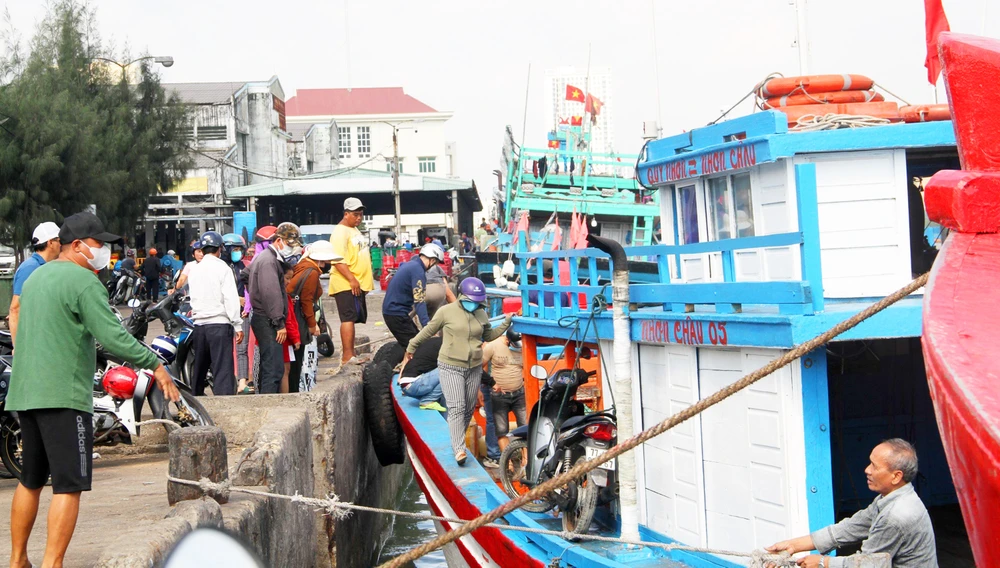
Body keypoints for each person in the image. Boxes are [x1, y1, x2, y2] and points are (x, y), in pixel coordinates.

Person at [7, 212, 180, 568]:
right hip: (62, 395)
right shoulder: (85, 282)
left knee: (30, 480)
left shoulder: (37, 277)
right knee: (69, 485)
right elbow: (112, 336)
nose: (103, 251)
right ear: (77, 245)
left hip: (26, 391)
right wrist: (155, 365)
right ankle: (52, 563)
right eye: (99, 244)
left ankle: (17, 560)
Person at [766, 439, 937, 568]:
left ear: (896, 476)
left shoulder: (897, 515)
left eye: (874, 466)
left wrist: (822, 562)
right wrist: (793, 545)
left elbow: (869, 564)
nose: (867, 470)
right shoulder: (890, 498)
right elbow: (851, 527)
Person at [405, 277, 513, 465]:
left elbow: (488, 335)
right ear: (462, 296)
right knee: (456, 407)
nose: (473, 305)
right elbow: (428, 330)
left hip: (474, 368)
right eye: (470, 301)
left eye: (477, 302)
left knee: (469, 408)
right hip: (450, 365)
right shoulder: (446, 312)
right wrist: (411, 347)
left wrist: (505, 323)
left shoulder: (481, 314)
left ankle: (456, 439)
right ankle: (459, 449)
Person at [247, 222, 302, 394]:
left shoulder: (267, 258)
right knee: (273, 369)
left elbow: (245, 276)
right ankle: (269, 407)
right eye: (289, 245)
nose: (291, 249)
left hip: (266, 316)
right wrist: (279, 323)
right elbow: (271, 293)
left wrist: (254, 292)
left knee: (275, 367)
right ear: (278, 241)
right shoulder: (268, 261)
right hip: (268, 319)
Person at [187, 231, 244, 396]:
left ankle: (195, 404)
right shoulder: (222, 268)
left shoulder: (195, 270)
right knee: (222, 369)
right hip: (219, 324)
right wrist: (237, 324)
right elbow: (230, 298)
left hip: (199, 326)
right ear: (220, 249)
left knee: (199, 369)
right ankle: (224, 406)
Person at [287, 241, 341, 393]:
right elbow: (306, 301)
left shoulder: (303, 266)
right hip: (299, 319)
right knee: (296, 361)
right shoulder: (311, 272)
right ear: (321, 260)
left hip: (294, 315)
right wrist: (312, 324)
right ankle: (294, 392)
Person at [328, 197, 374, 367]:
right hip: (346, 282)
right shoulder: (340, 232)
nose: (359, 218)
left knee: (353, 318)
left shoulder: (355, 230)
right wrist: (352, 279)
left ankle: (352, 353)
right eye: (355, 215)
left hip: (356, 283)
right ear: (346, 214)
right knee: (347, 318)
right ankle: (347, 356)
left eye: (361, 214)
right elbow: (338, 260)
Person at [8, 221, 60, 346]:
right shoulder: (31, 268)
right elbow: (15, 308)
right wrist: (18, 347)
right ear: (50, 243)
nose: (61, 244)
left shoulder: (43, 266)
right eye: (59, 240)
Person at [382, 244, 444, 349]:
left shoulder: (410, 265)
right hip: (396, 315)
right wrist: (427, 327)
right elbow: (419, 301)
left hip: (393, 312)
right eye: (435, 263)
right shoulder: (418, 271)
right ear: (432, 260)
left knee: (414, 342)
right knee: (417, 348)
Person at [484, 328, 526, 456]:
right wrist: (487, 385)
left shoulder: (524, 347)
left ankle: (526, 460)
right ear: (507, 340)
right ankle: (507, 463)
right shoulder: (493, 346)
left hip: (519, 393)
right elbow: (479, 366)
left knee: (526, 428)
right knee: (501, 430)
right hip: (499, 395)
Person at [223, 234, 252, 394]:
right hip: (224, 313)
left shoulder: (244, 267)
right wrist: (236, 299)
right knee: (225, 349)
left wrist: (246, 304)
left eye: (240, 249)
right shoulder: (221, 268)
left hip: (242, 314)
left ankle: (242, 381)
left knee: (242, 347)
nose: (237, 252)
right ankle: (228, 382)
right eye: (234, 249)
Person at [399, 336, 446, 411]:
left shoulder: (431, 341)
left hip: (406, 384)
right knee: (450, 371)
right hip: (414, 384)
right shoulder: (446, 346)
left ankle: (431, 398)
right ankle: (428, 400)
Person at [279, 266, 302, 393]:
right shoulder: (283, 296)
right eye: (287, 278)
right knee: (285, 370)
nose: (289, 282)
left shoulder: (285, 296)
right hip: (286, 339)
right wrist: (295, 338)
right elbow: (288, 320)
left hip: (287, 338)